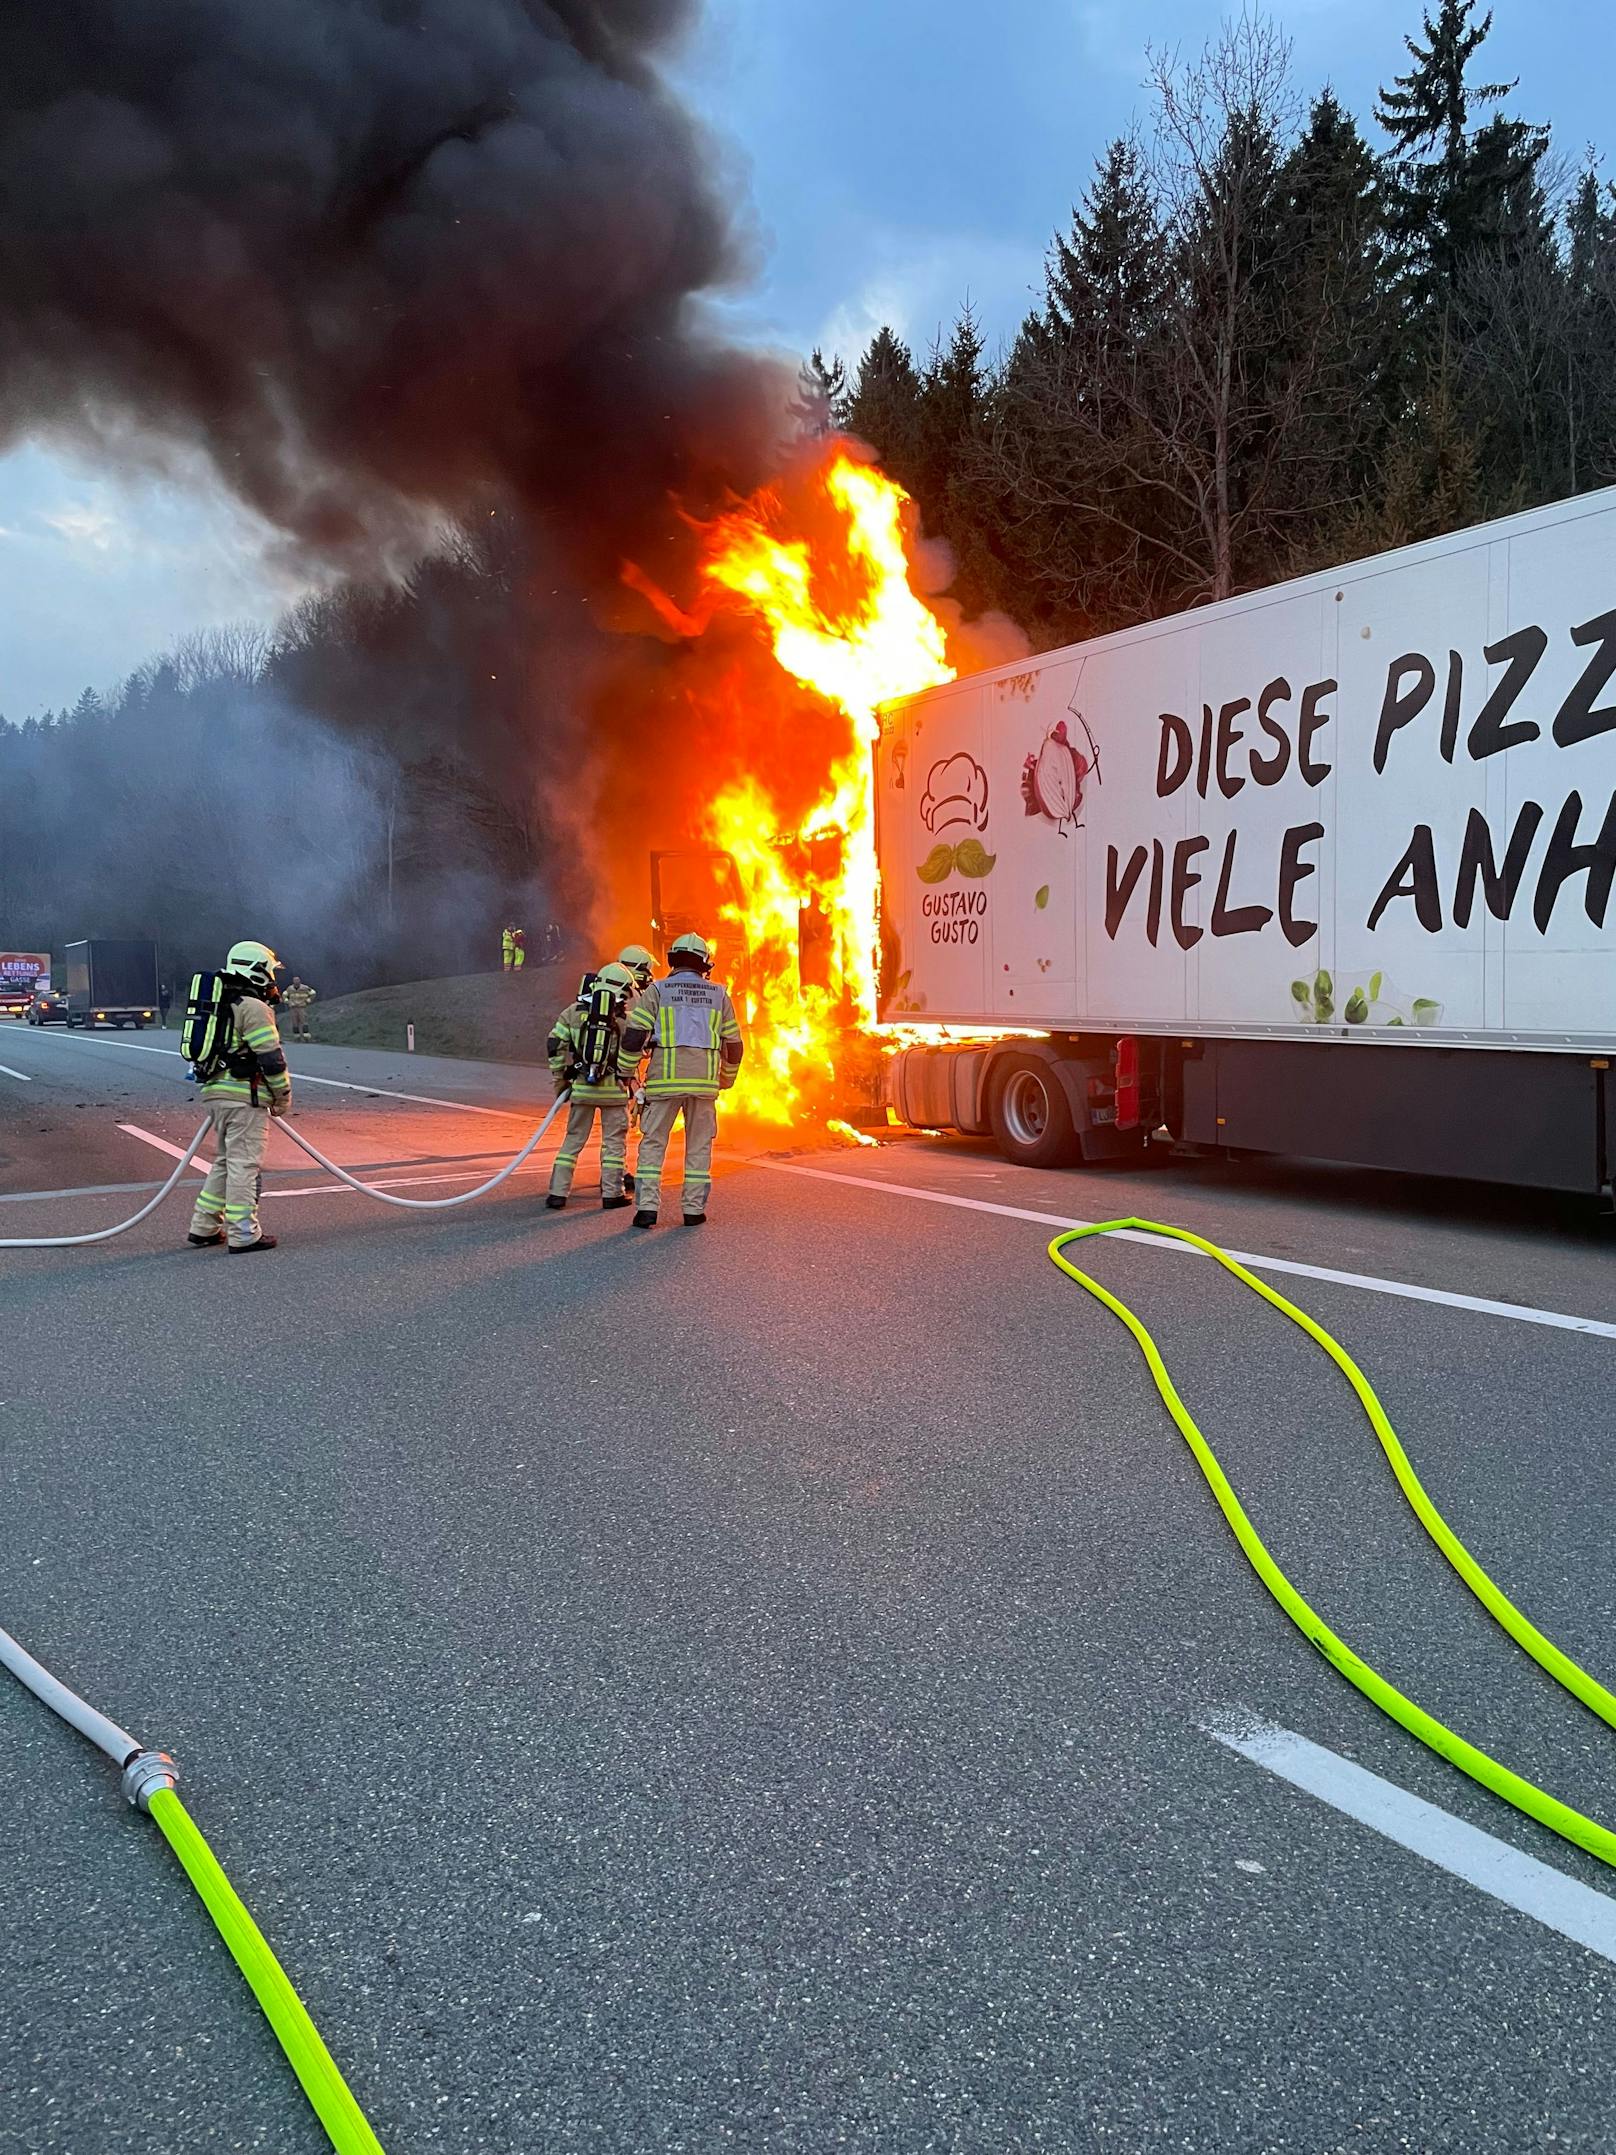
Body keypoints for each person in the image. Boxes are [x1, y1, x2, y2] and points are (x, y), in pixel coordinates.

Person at [625, 933, 744, 1229]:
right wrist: (726, 1080)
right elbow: (734, 1045)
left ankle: (647, 1209)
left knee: (653, 1145)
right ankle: (693, 1211)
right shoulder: (719, 994)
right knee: (699, 1147)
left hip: (663, 1085)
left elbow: (634, 1037)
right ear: (705, 963)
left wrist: (627, 1073)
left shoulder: (657, 990)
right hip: (703, 1086)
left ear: (672, 960)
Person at [186, 940, 291, 1254]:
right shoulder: (253, 1007)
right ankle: (244, 1233)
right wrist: (283, 1097)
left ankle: (203, 1227)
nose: (273, 981)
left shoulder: (222, 1004)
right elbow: (271, 1059)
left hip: (215, 1093)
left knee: (225, 1161)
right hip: (244, 1096)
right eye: (270, 974)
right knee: (245, 1164)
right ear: (257, 971)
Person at [544, 961, 640, 1212]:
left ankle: (557, 1193)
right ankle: (612, 1194)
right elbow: (633, 1051)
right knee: (613, 1144)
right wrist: (627, 1077)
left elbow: (554, 1045)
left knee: (572, 1142)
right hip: (614, 1092)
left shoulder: (572, 1012)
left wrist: (560, 1080)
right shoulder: (626, 1021)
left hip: (582, 1089)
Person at [282, 975, 316, 1041]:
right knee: (295, 1022)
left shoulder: (305, 988)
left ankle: (306, 1036)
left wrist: (308, 1000)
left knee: (304, 1021)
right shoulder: (290, 988)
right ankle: (297, 1037)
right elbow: (284, 995)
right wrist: (287, 1002)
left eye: (297, 980)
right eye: (295, 980)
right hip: (293, 1007)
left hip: (302, 1007)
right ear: (293, 981)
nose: (296, 982)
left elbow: (313, 993)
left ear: (300, 981)